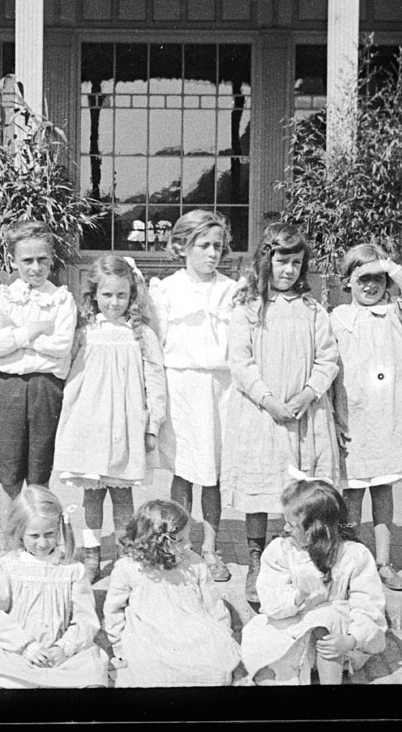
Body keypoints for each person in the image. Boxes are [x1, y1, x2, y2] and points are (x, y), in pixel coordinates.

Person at [228, 222, 342, 607]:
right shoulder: (248, 310)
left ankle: (301, 557)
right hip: (264, 415)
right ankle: (256, 560)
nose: (288, 270)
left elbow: (328, 358)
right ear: (266, 260)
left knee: (301, 490)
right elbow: (240, 362)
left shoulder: (313, 310)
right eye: (281, 261)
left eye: (296, 262)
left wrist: (308, 394)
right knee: (262, 489)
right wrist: (269, 400)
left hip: (304, 414)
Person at [328, 243, 402, 593]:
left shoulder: (395, 314)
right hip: (353, 417)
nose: (370, 286)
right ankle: (347, 564)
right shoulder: (337, 319)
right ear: (347, 282)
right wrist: (334, 416)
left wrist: (390, 266)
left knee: (382, 491)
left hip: (386, 419)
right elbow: (329, 369)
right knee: (350, 496)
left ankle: (383, 562)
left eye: (377, 279)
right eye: (362, 279)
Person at [52, 255, 168, 580]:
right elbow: (66, 373)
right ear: (93, 295)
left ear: (132, 295)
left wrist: (152, 424)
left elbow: (156, 380)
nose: (114, 302)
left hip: (125, 428)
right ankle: (91, 556)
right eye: (107, 295)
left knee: (122, 496)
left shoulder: (141, 334)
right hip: (90, 426)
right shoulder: (84, 332)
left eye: (121, 295)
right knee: (91, 495)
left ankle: (124, 556)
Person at [151, 209, 243, 583]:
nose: (212, 253)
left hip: (221, 388)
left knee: (214, 473)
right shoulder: (166, 289)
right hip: (182, 387)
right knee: (184, 470)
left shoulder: (232, 290)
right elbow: (155, 345)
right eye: (203, 245)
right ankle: (178, 543)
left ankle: (211, 546)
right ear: (181, 247)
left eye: (218, 246)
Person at [0, 486, 112, 688]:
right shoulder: (6, 567)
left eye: (49, 534)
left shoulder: (72, 570)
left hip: (59, 652)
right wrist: (28, 647)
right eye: (34, 536)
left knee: (92, 679)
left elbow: (85, 618)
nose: (43, 543)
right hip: (14, 650)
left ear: (59, 529)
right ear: (20, 532)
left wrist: (64, 647)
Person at [241, 480, 390, 686]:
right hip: (290, 626)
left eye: (292, 525)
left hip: (335, 637)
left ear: (318, 529)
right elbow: (270, 599)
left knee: (324, 618)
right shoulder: (281, 551)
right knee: (262, 658)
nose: (285, 529)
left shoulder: (354, 555)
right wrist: (297, 596)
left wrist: (352, 639)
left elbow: (368, 606)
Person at [0, 220, 79, 507]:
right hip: (7, 388)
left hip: (46, 389)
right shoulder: (3, 298)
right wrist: (33, 330)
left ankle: (39, 544)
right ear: (14, 261)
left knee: (39, 471)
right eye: (27, 260)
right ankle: (11, 546)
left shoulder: (61, 299)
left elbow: (61, 347)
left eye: (42, 260)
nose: (35, 267)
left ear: (51, 259)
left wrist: (18, 338)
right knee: (9, 475)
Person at [103, 500, 243, 687]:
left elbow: (214, 605)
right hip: (150, 634)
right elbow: (113, 610)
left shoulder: (194, 563)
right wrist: (119, 647)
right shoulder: (128, 568)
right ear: (158, 543)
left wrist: (222, 636)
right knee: (151, 672)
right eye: (182, 540)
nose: (190, 544)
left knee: (214, 667)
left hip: (193, 631)